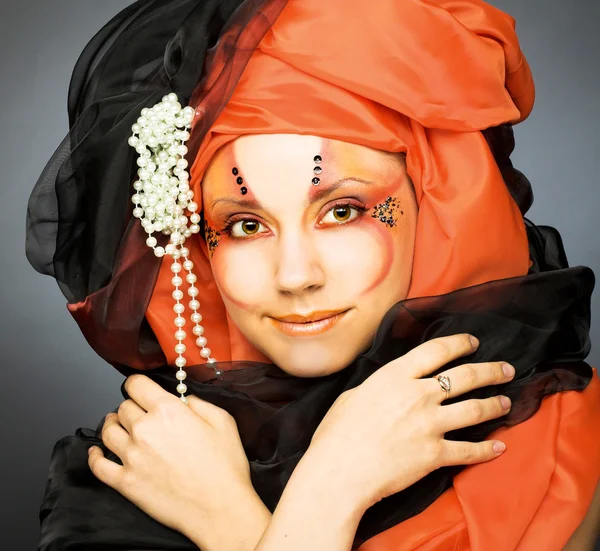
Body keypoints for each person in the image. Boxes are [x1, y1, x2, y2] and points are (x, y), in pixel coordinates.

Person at [25, 0, 600, 549]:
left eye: (343, 211)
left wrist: (280, 505)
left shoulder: (561, 445)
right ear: (197, 244)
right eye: (246, 225)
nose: (296, 275)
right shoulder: (147, 460)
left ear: (435, 206)